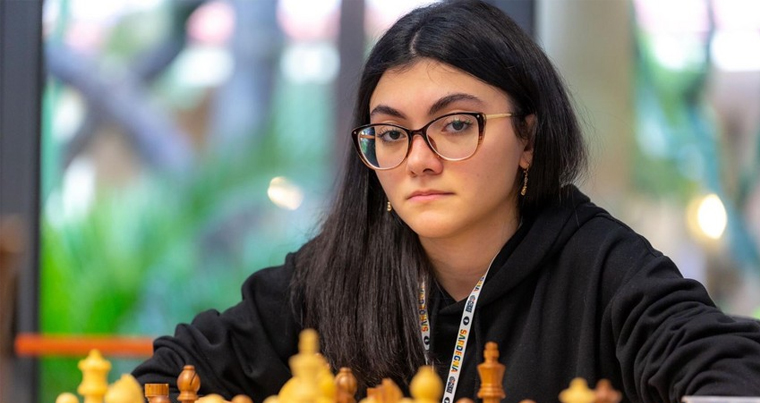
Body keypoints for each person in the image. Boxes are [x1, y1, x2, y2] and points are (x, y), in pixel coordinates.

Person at [132, 1, 760, 402]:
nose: (418, 159)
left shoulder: (600, 264)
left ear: (527, 138)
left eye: (456, 125)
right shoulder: (338, 269)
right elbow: (175, 369)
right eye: (390, 133)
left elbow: (725, 367)